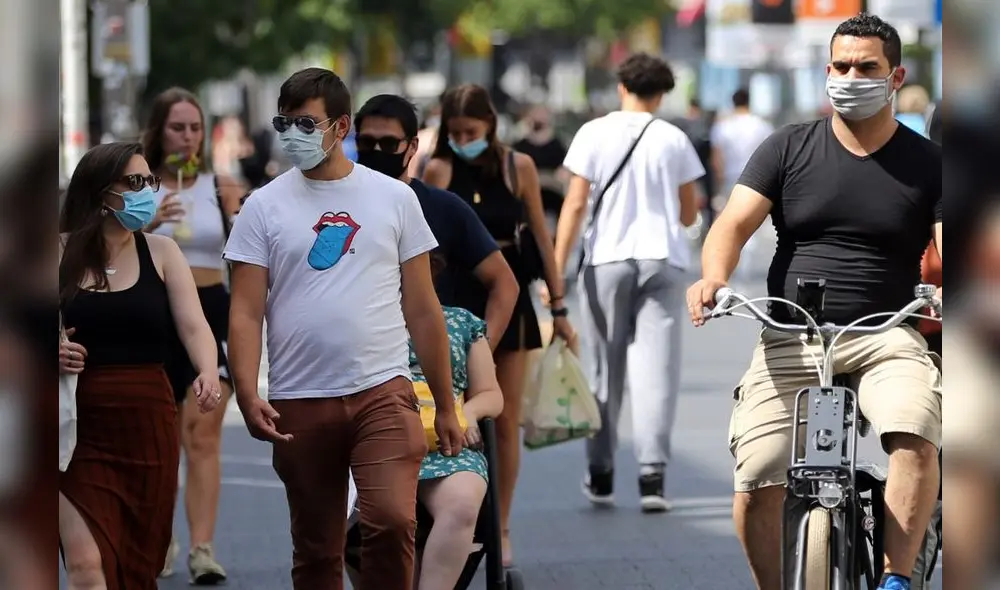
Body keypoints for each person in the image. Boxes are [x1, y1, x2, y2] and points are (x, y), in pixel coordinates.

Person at [687, 14, 942, 590]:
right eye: (841, 66)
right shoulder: (786, 148)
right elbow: (730, 225)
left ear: (895, 76)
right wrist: (712, 277)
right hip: (791, 336)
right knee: (755, 477)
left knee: (915, 431)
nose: (851, 77)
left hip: (887, 336)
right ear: (827, 70)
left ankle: (897, 576)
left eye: (867, 67)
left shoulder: (928, 163)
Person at [223, 67, 464, 590]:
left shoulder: (394, 199)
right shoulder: (262, 207)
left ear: (340, 126)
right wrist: (245, 390)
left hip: (383, 390)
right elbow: (244, 311)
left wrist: (445, 405)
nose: (294, 135)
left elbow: (422, 308)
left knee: (392, 522)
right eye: (284, 123)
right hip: (299, 398)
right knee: (316, 549)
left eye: (307, 124)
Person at [422, 83, 575, 566]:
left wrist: (560, 305)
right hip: (454, 298)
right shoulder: (439, 168)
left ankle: (500, 525)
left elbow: (542, 235)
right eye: (456, 131)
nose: (465, 137)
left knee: (503, 421)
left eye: (472, 129)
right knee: (450, 412)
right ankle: (454, 514)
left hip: (509, 297)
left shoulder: (518, 167)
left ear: (490, 123)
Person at [58, 141, 222, 590]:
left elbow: (194, 327)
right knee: (88, 567)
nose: (146, 190)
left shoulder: (163, 253)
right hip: (74, 432)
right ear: (99, 191)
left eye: (149, 181)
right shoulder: (55, 253)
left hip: (148, 424)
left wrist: (208, 370)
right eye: (134, 182)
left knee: (137, 568)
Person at [552, 52, 702, 513]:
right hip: (663, 259)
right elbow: (689, 211)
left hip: (606, 260)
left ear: (622, 86)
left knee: (603, 371)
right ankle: (652, 477)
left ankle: (601, 474)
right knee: (656, 370)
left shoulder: (593, 132)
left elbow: (576, 204)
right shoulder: (673, 138)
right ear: (662, 93)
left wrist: (556, 270)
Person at [346, 252, 505, 590]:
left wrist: (469, 414)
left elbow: (491, 393)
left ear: (432, 269)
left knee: (462, 502)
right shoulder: (358, 324)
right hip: (377, 444)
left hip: (447, 443)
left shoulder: (462, 323)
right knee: (370, 520)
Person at [141, 87, 246, 584]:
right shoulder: (140, 187)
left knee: (202, 432)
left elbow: (247, 255)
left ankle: (202, 547)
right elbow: (109, 246)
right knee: (161, 434)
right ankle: (160, 537)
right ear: (158, 131)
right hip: (158, 314)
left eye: (195, 128)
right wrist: (152, 220)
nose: (187, 137)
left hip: (211, 309)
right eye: (177, 128)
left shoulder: (220, 185)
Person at [353, 94, 520, 344]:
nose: (377, 151)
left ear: (412, 147)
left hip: (425, 364)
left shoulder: (443, 208)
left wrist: (479, 352)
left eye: (389, 143)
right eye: (367, 142)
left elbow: (504, 283)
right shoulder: (337, 208)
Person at [709, 88, 773, 276]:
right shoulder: (762, 125)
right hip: (757, 180)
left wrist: (719, 179)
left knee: (727, 221)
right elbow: (770, 155)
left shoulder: (722, 127)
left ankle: (729, 265)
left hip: (730, 178)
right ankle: (747, 261)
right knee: (751, 221)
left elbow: (716, 157)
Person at [512, 106, 569, 225]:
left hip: (552, 198)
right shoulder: (520, 146)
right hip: (525, 199)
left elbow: (563, 174)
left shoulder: (557, 146)